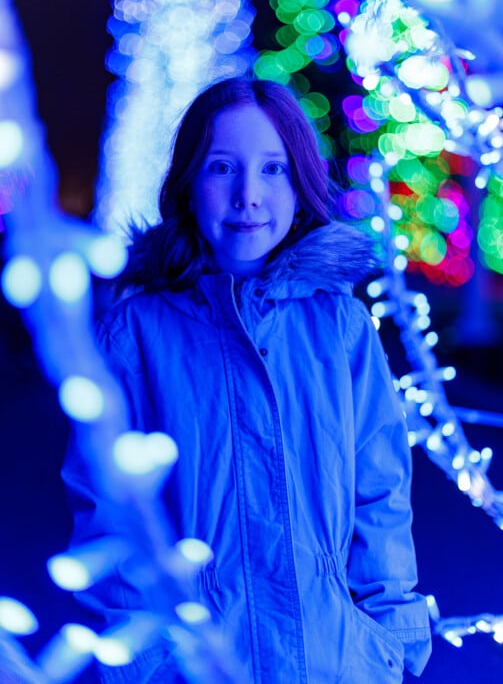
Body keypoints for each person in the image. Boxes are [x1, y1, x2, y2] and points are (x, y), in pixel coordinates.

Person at [63, 76, 431, 683]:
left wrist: (385, 637)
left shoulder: (337, 326)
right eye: (222, 168)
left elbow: (380, 490)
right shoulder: (136, 335)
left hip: (334, 662)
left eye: (273, 170)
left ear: (300, 182)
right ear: (188, 184)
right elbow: (111, 509)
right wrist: (145, 662)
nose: (248, 196)